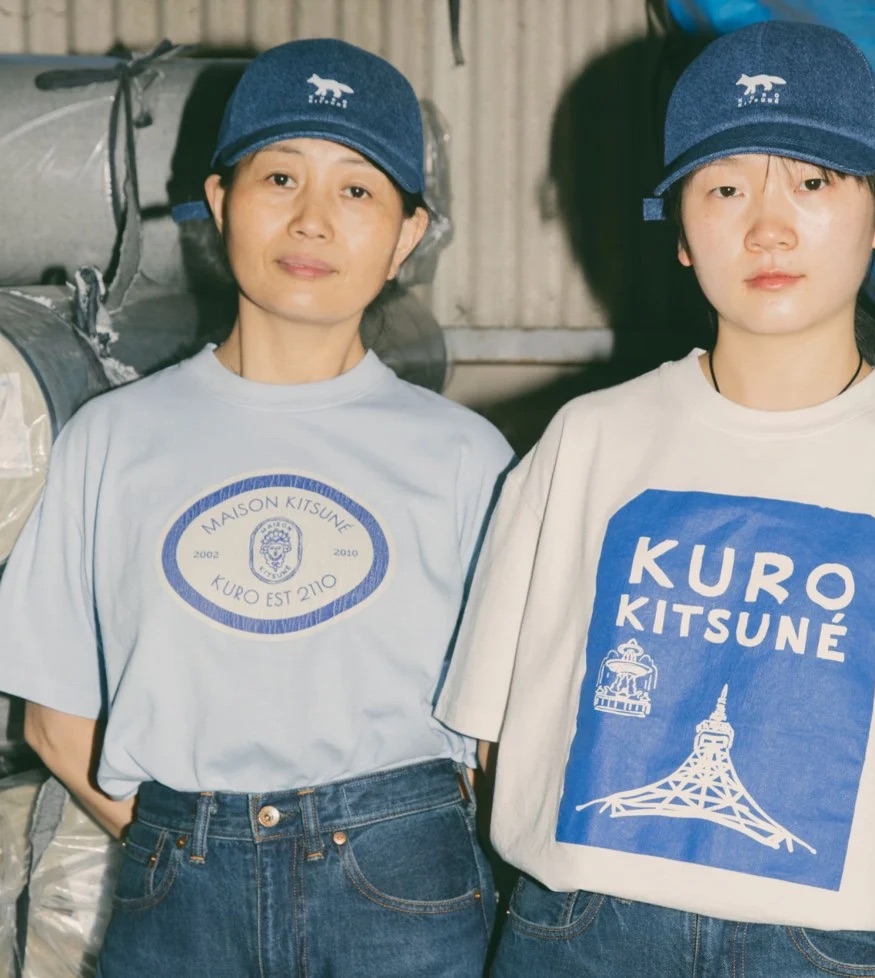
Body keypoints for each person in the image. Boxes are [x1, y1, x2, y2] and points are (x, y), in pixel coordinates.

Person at [435, 20, 875, 977]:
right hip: (585, 942)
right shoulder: (589, 441)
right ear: (681, 229)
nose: (768, 227)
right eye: (725, 188)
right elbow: (492, 731)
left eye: (813, 182)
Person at [0, 38, 511, 977]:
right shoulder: (114, 440)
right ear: (220, 201)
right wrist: (193, 855)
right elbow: (54, 723)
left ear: (406, 235)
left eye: (356, 190)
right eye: (280, 177)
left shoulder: (468, 459)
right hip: (182, 896)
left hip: (404, 893)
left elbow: (497, 741)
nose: (312, 219)